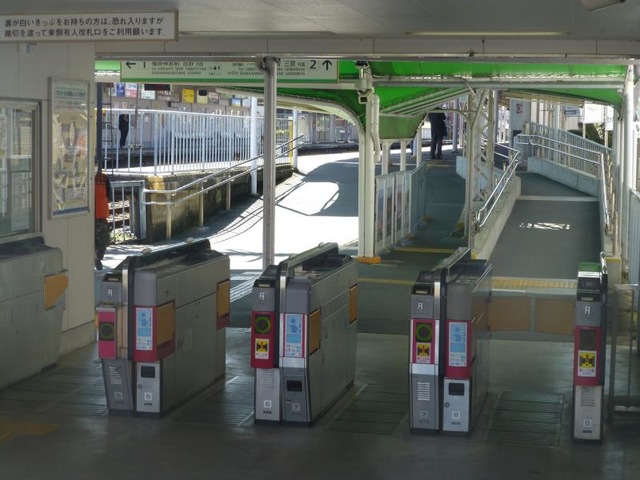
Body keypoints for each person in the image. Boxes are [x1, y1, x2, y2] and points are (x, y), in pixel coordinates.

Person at [94, 161, 112, 270]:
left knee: (102, 240)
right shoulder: (104, 179)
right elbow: (109, 196)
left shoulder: (104, 179)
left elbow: (108, 195)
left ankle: (97, 259)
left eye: (95, 164)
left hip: (99, 215)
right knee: (100, 240)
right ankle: (95, 259)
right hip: (96, 215)